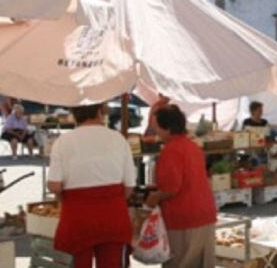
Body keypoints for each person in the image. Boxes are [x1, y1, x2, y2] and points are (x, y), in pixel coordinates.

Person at [47, 103, 136, 268]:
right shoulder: (118, 138)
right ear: (99, 112)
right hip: (113, 216)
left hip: (77, 218)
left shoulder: (63, 141)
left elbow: (54, 186)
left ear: (74, 115)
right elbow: (129, 187)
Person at [144, 105, 217, 268]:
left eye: (157, 128)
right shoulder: (192, 147)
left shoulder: (171, 151)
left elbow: (171, 188)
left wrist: (154, 197)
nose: (155, 131)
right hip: (204, 213)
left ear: (168, 129)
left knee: (180, 263)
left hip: (184, 217)